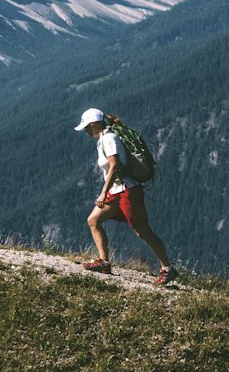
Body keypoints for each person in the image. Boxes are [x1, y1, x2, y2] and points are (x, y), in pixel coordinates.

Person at [74, 107, 175, 284]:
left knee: (142, 231)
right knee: (93, 220)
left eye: (87, 127)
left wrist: (103, 193)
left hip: (127, 191)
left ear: (96, 124)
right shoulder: (103, 139)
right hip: (116, 191)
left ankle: (168, 269)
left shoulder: (109, 139)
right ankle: (104, 262)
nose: (86, 131)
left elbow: (115, 166)